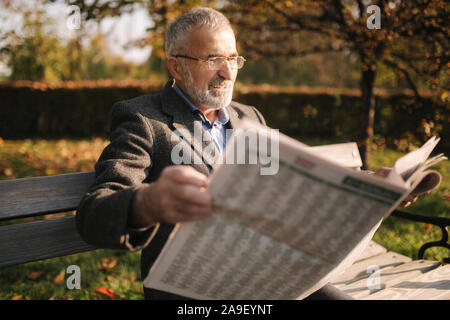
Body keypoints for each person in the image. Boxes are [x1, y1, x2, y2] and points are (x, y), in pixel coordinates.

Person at [76, 7, 364, 300]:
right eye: (213, 59)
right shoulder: (143, 119)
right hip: (196, 291)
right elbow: (92, 214)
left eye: (232, 58)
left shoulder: (250, 116)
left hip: (272, 276)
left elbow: (289, 185)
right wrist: (148, 203)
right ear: (176, 67)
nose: (227, 72)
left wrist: (371, 187)